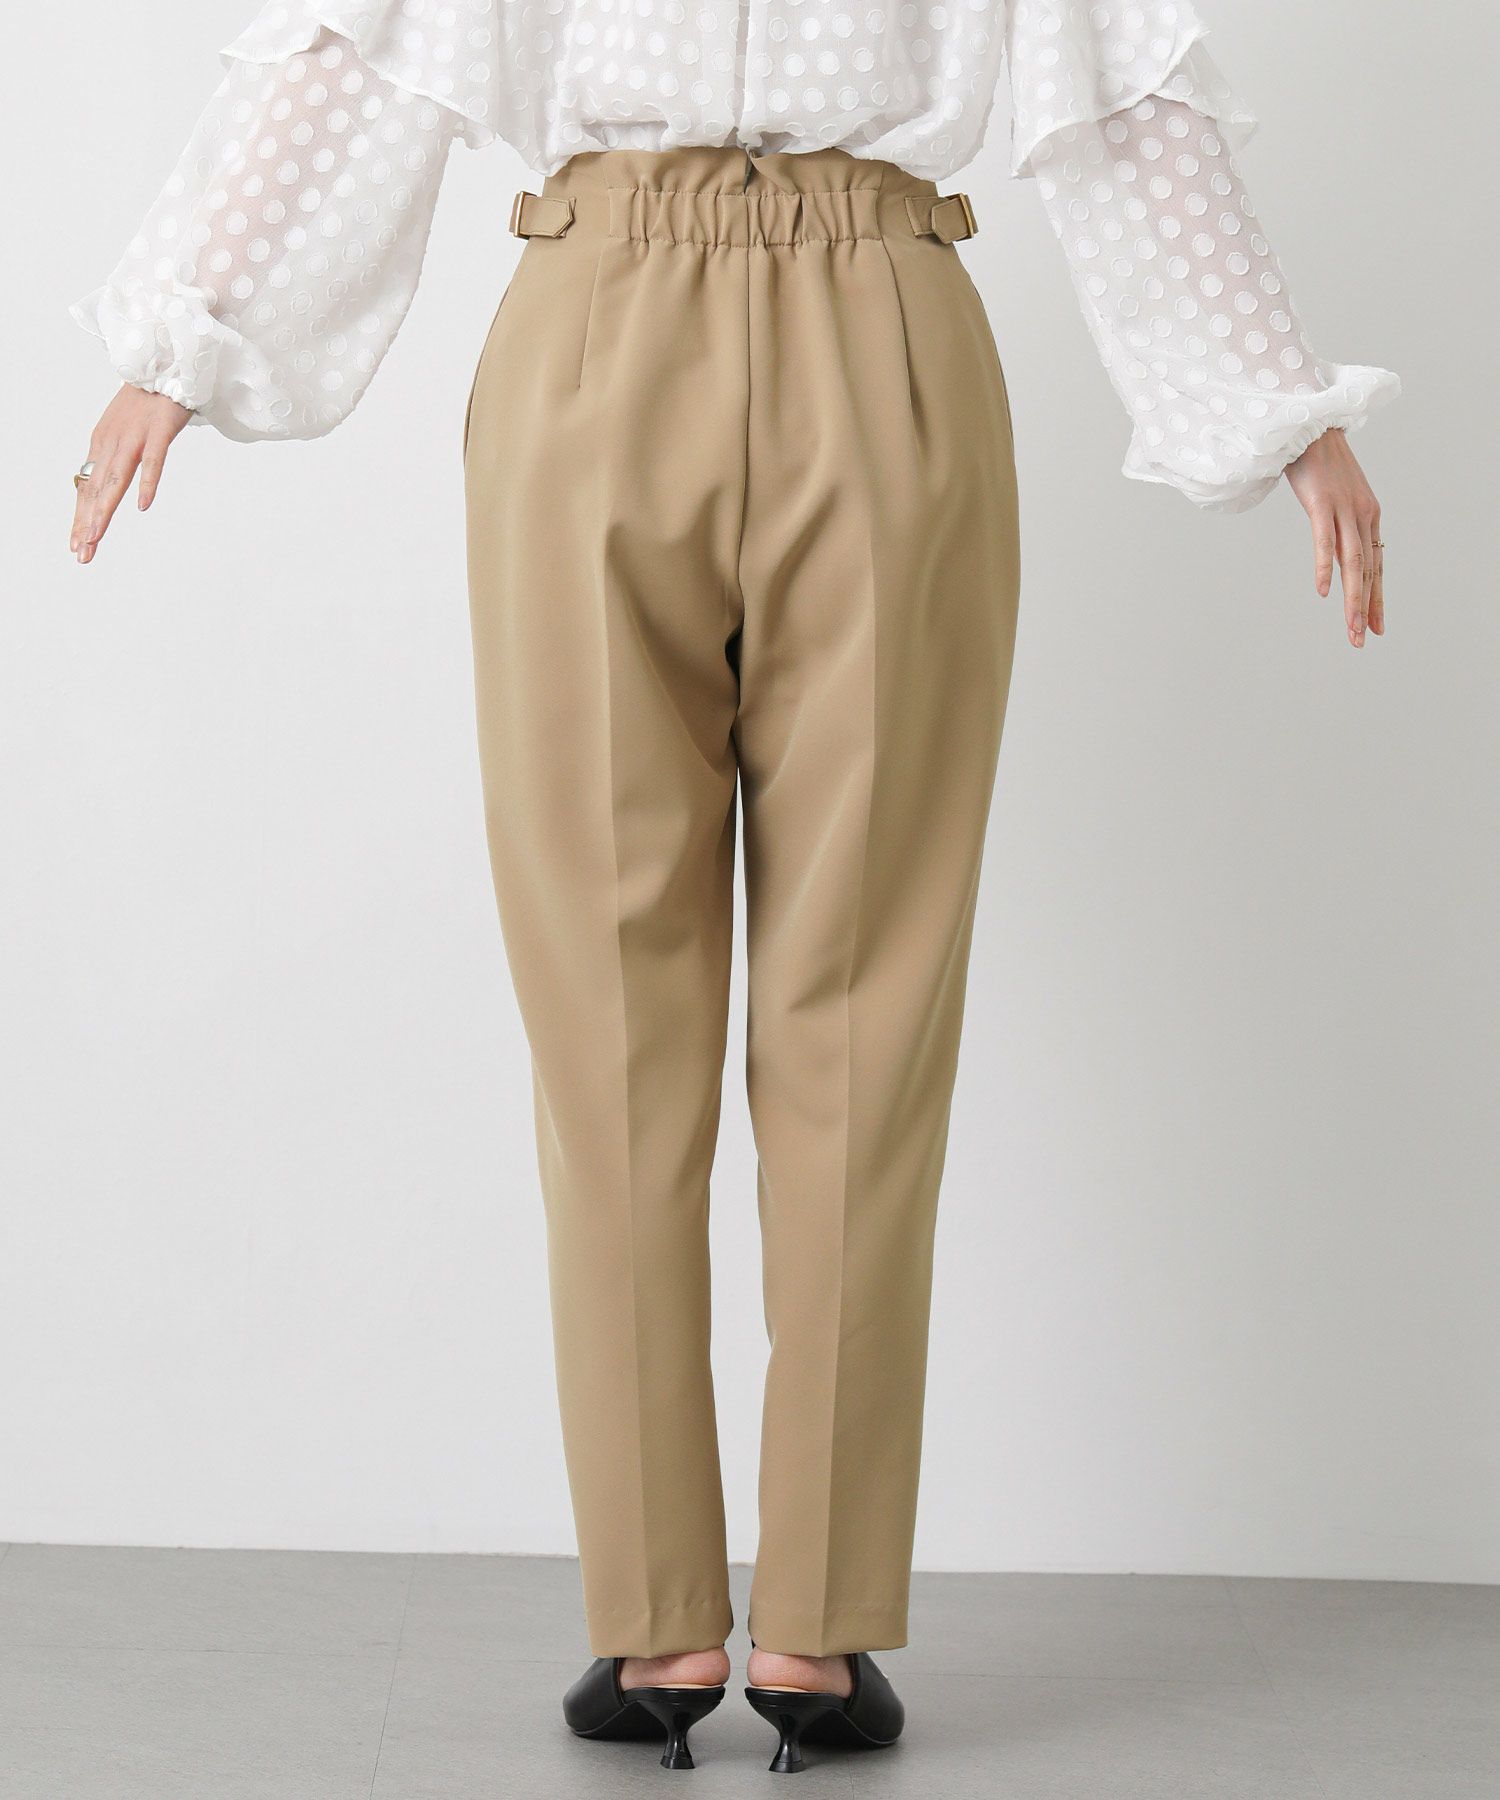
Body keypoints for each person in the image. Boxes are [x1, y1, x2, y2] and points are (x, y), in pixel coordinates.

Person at [68, 0, 1397, 1776]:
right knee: (751, 1009)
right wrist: (189, 332)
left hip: (727, 321)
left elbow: (1109, 69)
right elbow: (372, 41)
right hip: (758, 323)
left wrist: (1275, 408)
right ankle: (770, 1633)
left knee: (754, 1008)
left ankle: (701, 1633)